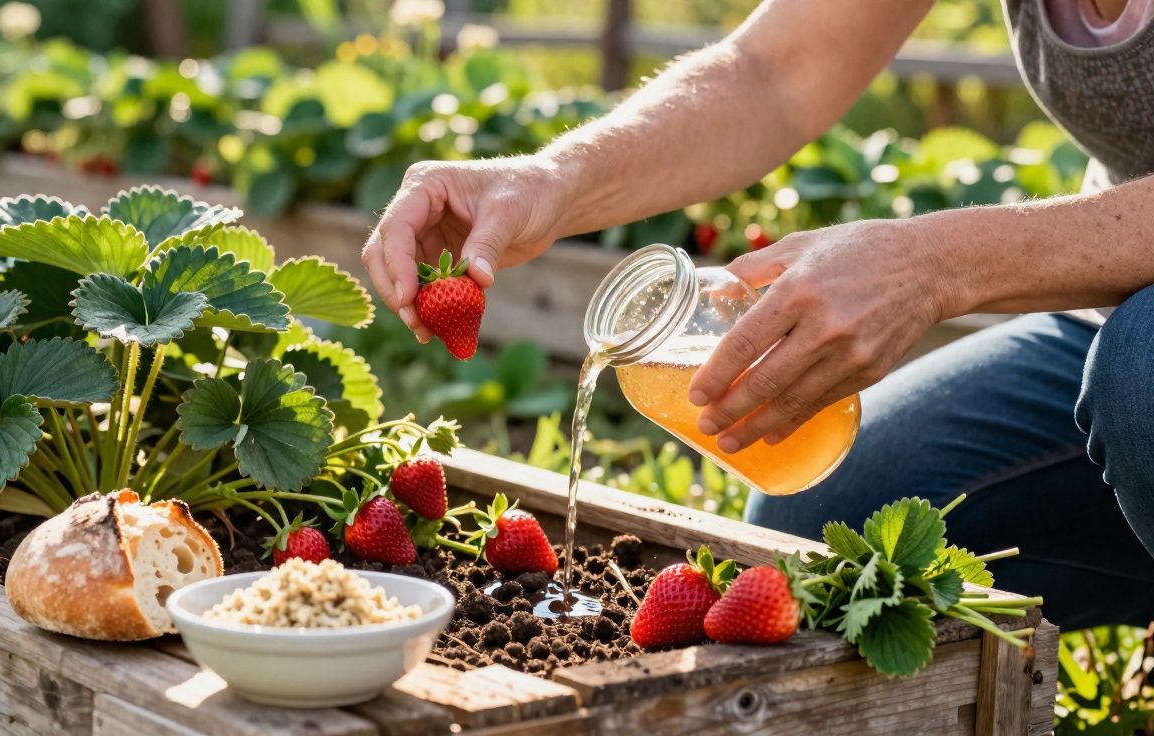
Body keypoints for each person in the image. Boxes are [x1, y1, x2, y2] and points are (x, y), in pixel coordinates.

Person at [361, 0, 1154, 630]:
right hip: (1104, 305)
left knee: (1141, 374)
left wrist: (936, 260)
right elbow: (775, 70)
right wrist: (549, 179)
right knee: (822, 524)